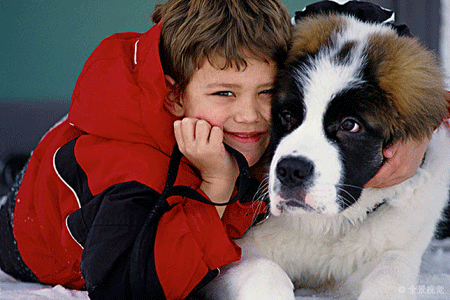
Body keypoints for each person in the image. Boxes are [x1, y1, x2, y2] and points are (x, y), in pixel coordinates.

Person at [0, 1, 441, 299]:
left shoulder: (243, 71)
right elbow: (130, 283)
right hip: (32, 225)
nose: (250, 116)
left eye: (267, 93)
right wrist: (216, 184)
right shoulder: (134, 172)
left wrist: (419, 132)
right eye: (225, 94)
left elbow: (361, 28)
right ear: (176, 97)